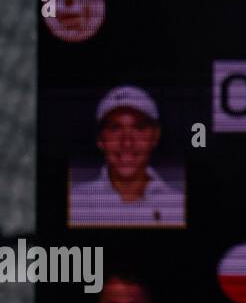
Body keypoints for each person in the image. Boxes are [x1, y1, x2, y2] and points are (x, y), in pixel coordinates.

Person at [69, 85, 185, 227]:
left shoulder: (178, 205)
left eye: (139, 127)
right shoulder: (75, 203)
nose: (127, 142)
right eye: (115, 128)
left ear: (155, 136)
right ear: (100, 139)